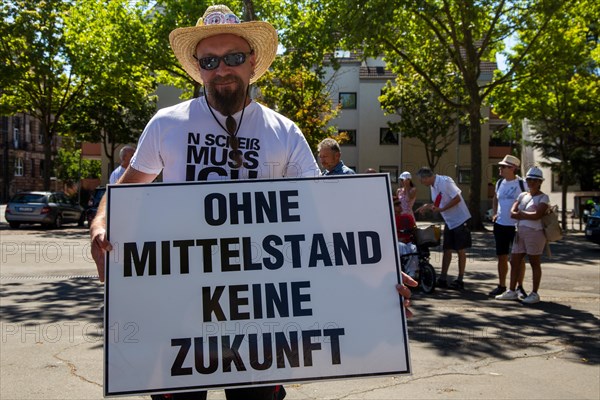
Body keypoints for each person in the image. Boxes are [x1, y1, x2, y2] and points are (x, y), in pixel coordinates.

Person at [89, 5, 416, 399]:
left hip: (264, 314)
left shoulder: (285, 132)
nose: (222, 68)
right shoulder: (167, 123)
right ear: (198, 67)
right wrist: (101, 223)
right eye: (209, 60)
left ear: (253, 62)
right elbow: (125, 189)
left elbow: (322, 218)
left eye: (234, 57)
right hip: (179, 308)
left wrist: (375, 279)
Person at [496, 166, 549, 304]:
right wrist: (525, 215)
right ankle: (512, 290)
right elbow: (512, 212)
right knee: (514, 261)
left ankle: (534, 293)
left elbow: (538, 214)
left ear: (539, 182)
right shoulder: (523, 195)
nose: (531, 182)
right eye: (529, 179)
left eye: (534, 180)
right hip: (520, 232)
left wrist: (521, 215)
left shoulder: (543, 197)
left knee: (534, 262)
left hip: (535, 233)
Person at [415, 166, 472, 290]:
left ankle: (460, 279)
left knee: (460, 249)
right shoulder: (433, 186)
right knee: (447, 249)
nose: (421, 183)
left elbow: (457, 198)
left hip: (460, 219)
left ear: (427, 177)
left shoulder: (445, 182)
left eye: (421, 180)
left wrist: (442, 209)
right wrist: (427, 206)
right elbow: (437, 203)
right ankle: (443, 278)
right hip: (449, 221)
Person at [489, 155, 528, 297]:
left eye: (503, 166)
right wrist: (494, 213)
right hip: (500, 224)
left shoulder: (522, 184)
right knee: (501, 256)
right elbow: (495, 199)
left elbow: (529, 201)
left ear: (512, 168)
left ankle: (519, 286)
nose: (500, 168)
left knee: (518, 258)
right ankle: (502, 285)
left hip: (516, 226)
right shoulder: (499, 183)